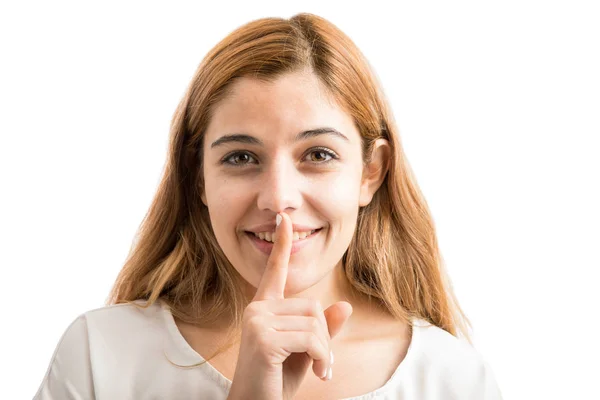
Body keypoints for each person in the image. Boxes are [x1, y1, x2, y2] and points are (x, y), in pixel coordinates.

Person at [33, 12, 503, 400]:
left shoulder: (452, 380)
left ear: (370, 173)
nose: (279, 198)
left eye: (318, 155)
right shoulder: (100, 356)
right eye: (241, 157)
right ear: (198, 175)